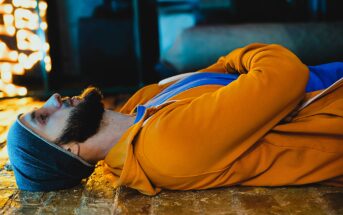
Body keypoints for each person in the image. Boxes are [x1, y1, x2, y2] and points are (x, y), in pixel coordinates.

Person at [7, 43, 343, 195]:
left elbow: (221, 68)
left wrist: (238, 65)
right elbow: (285, 73)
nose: (52, 99)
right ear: (71, 150)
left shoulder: (139, 107)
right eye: (43, 118)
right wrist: (243, 59)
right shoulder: (165, 146)